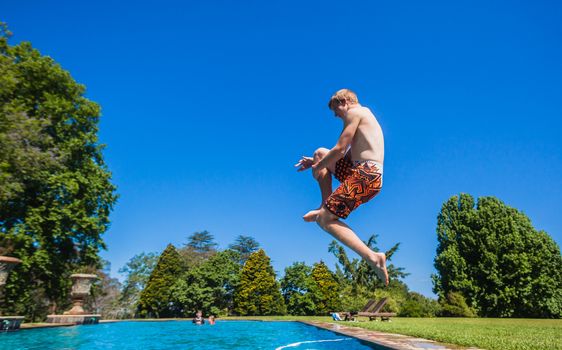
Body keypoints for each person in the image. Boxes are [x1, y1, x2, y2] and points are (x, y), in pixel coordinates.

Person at [295, 89, 388, 285]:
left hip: (366, 175)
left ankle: (374, 258)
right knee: (320, 153)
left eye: (336, 111)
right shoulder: (365, 116)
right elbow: (345, 155)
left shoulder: (356, 113)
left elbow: (339, 149)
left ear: (344, 102)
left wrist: (317, 168)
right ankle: (324, 206)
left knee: (325, 220)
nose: (336, 116)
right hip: (362, 171)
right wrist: (316, 161)